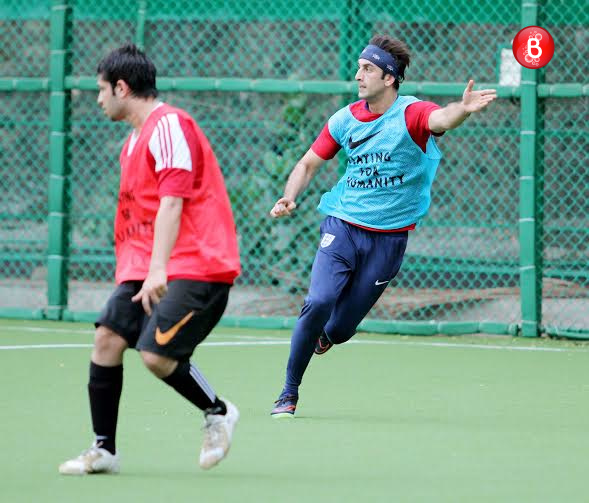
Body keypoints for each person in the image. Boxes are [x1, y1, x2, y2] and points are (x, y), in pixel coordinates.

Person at [269, 34, 497, 418]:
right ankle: (288, 392)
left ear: (389, 78)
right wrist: (289, 195)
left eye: (367, 68)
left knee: (340, 329)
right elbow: (308, 163)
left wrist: (464, 109)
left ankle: (329, 335)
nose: (358, 74)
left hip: (388, 240)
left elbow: (442, 118)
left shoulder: (412, 114)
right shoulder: (345, 119)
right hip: (342, 225)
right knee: (318, 301)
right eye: (359, 66)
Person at [59, 44, 241, 473]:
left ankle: (217, 412)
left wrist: (158, 267)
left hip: (198, 266)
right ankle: (104, 448)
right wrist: (139, 272)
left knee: (156, 356)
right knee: (106, 338)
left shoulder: (169, 126)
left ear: (122, 87)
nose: (99, 99)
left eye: (101, 90)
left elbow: (173, 202)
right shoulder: (132, 143)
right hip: (148, 268)